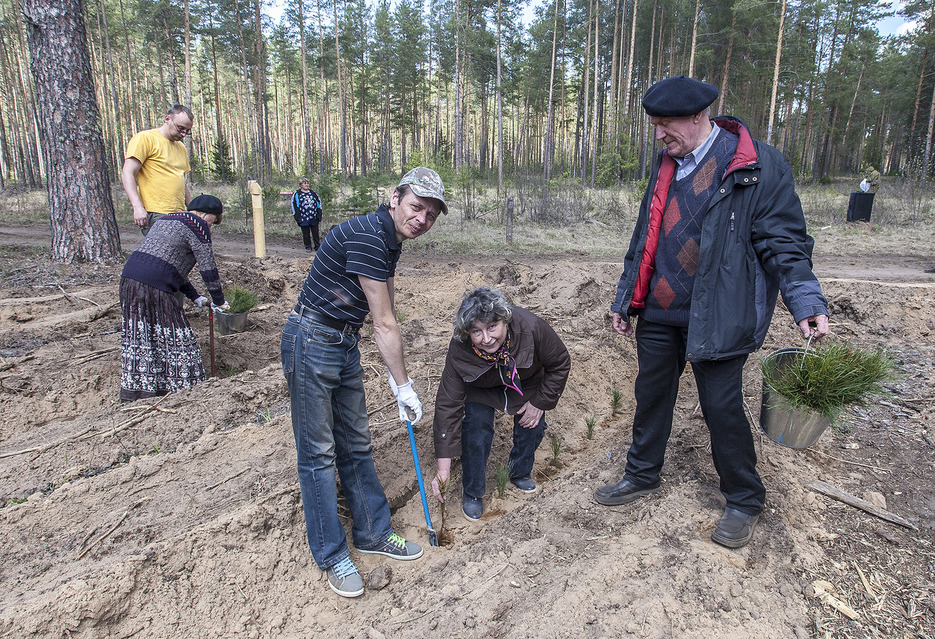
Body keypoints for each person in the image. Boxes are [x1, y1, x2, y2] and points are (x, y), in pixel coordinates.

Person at [595, 75, 830, 549]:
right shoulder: (667, 165)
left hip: (719, 314)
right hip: (660, 311)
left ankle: (743, 500)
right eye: (656, 125)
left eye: (667, 124)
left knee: (722, 408)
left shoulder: (757, 165)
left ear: (700, 116)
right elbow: (645, 238)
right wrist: (626, 298)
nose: (660, 134)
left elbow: (784, 242)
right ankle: (642, 475)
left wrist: (805, 300)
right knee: (651, 395)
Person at [281, 167, 448, 598]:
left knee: (356, 443)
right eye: (416, 207)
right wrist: (404, 385)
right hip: (312, 338)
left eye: (431, 214)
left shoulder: (390, 239)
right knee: (318, 453)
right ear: (395, 198)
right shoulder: (371, 236)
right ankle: (332, 553)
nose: (422, 219)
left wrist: (396, 383)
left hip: (341, 340)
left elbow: (385, 305)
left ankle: (373, 532)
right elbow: (386, 321)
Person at [430, 287, 570, 521]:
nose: (486, 339)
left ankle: (519, 472)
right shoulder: (460, 349)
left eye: (492, 327)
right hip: (481, 386)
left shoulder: (532, 327)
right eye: (477, 331)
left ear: (505, 321)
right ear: (467, 332)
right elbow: (448, 405)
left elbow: (560, 363)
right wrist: (443, 471)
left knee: (531, 424)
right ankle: (473, 491)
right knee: (476, 427)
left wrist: (539, 403)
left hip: (526, 380)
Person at [119, 194, 229, 403]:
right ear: (207, 215)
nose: (210, 227)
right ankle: (187, 392)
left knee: (143, 338)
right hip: (156, 288)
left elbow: (168, 268)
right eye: (212, 222)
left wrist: (195, 297)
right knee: (178, 339)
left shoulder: (167, 220)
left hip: (129, 279)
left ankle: (144, 393)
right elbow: (208, 267)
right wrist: (219, 300)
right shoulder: (198, 226)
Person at [121, 105, 194, 234]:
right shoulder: (145, 139)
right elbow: (128, 173)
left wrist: (193, 209)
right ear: (167, 119)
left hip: (180, 213)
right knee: (161, 253)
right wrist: (137, 207)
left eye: (187, 131)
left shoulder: (181, 148)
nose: (183, 134)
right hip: (156, 213)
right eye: (180, 128)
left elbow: (181, 181)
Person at [291, 177, 322, 252]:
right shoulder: (297, 194)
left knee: (315, 233)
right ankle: (308, 246)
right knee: (306, 233)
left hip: (313, 217)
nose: (306, 184)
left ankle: (317, 246)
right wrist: (297, 217)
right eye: (304, 183)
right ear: (301, 185)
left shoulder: (313, 193)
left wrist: (319, 214)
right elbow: (294, 205)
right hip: (303, 217)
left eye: (307, 183)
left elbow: (318, 203)